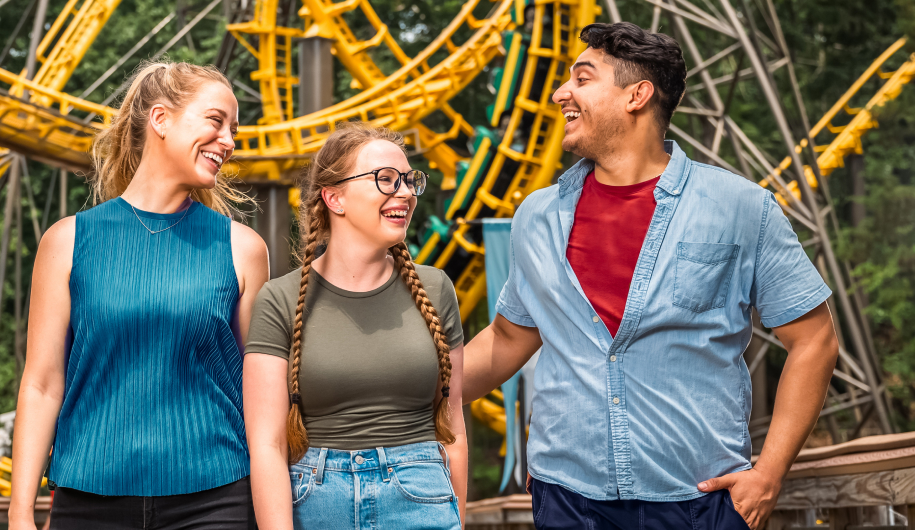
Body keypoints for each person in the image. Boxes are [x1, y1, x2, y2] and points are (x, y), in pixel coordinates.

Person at [462, 22, 839, 530]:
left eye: (583, 78)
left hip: (699, 500)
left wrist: (768, 474)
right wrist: (396, 393)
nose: (560, 94)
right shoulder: (537, 215)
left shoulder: (741, 208)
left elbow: (813, 339)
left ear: (637, 95)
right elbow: (508, 337)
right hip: (569, 498)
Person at [8, 61, 269, 529]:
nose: (229, 141)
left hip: (217, 500)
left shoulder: (243, 249)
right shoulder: (67, 241)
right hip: (87, 498)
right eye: (216, 121)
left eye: (234, 130)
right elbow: (42, 383)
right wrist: (19, 511)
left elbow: (263, 396)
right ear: (161, 120)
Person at [243, 123, 467, 529]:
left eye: (409, 180)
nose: (404, 192)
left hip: (421, 497)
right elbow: (268, 446)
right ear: (335, 197)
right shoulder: (279, 300)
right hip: (316, 502)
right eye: (385, 179)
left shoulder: (436, 288)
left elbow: (454, 432)